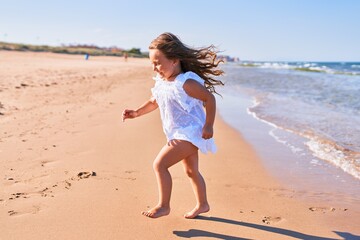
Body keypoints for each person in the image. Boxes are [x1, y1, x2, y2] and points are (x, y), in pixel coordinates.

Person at [122, 32, 224, 219]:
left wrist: (209, 125)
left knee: (159, 165)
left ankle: (163, 206)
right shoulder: (162, 82)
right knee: (191, 171)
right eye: (152, 63)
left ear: (174, 60)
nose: (154, 68)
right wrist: (136, 112)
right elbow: (154, 102)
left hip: (191, 132)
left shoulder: (186, 83)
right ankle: (203, 205)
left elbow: (209, 99)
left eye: (158, 63)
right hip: (177, 132)